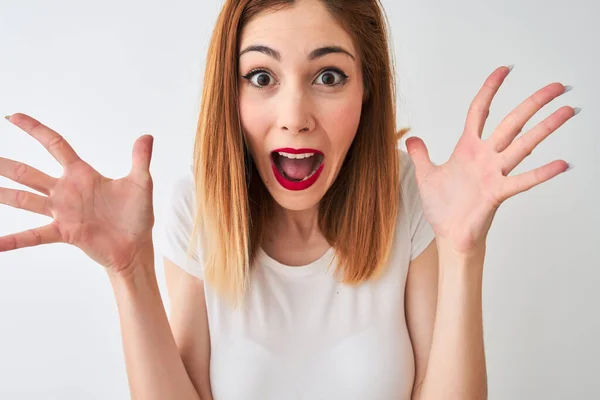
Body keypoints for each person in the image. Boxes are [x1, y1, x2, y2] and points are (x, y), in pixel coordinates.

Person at [0, 0, 577, 399]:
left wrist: (463, 253)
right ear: (229, 93)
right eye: (261, 77)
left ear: (367, 90)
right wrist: (129, 271)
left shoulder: (410, 199)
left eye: (328, 76)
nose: (295, 117)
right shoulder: (194, 211)